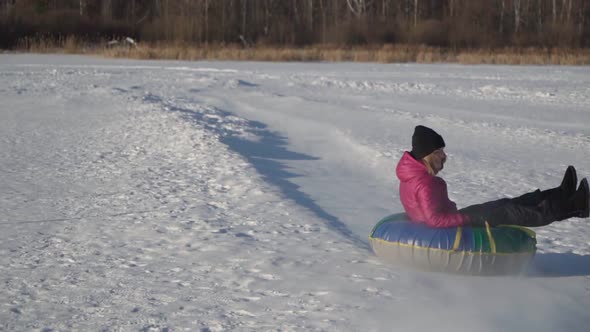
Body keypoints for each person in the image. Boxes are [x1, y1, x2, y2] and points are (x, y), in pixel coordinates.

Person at [396, 125, 589, 228]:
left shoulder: (413, 176)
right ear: (427, 155)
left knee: (505, 203)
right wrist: (466, 218)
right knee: (512, 212)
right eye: (439, 151)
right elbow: (435, 221)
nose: (444, 156)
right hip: (454, 228)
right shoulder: (424, 183)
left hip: (455, 219)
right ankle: (576, 206)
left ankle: (559, 193)